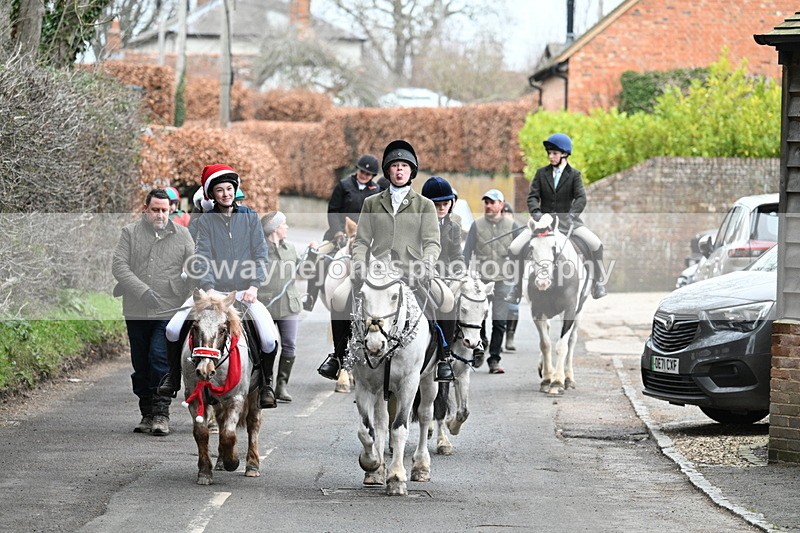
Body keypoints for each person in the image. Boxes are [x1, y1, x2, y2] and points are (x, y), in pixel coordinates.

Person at [318, 139, 453, 382]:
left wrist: (426, 264)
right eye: (395, 166)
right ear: (388, 171)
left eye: (404, 166)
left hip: (413, 271)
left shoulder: (425, 205)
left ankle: (444, 358)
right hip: (376, 272)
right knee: (338, 297)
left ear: (412, 171)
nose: (399, 170)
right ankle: (338, 356)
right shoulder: (371, 203)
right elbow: (361, 241)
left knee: (447, 299)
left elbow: (432, 242)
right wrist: (359, 265)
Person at [160, 164, 279, 409]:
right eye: (220, 190)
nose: (226, 194)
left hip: (244, 293)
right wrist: (209, 288)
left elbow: (260, 253)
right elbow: (202, 256)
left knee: (268, 339)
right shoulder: (205, 221)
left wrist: (254, 286)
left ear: (235, 190)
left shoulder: (249, 216)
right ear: (212, 194)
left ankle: (266, 384)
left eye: (229, 189)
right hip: (212, 293)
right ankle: (173, 376)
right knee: (172, 329)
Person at [112, 188, 194, 436]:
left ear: (171, 210)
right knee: (140, 363)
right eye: (155, 209)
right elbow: (119, 266)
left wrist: (193, 294)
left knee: (159, 358)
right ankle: (146, 412)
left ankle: (161, 413)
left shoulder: (183, 235)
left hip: (168, 308)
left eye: (164, 210)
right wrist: (142, 291)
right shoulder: (130, 233)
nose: (160, 214)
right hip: (136, 309)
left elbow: (194, 266)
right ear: (145, 209)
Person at [511, 133, 607, 299]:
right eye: (549, 153)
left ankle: (597, 284)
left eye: (554, 153)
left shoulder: (574, 175)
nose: (550, 156)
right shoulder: (541, 173)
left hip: (568, 223)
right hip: (543, 223)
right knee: (514, 247)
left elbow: (581, 198)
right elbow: (533, 197)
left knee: (596, 244)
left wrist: (572, 215)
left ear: (564, 154)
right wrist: (537, 214)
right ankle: (516, 287)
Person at [314, 155, 383, 381]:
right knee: (318, 258)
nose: (364, 176)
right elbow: (333, 210)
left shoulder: (376, 191)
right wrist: (338, 232)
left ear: (373, 176)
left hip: (366, 238)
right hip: (340, 235)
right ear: (357, 170)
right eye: (362, 172)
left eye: (368, 174)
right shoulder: (344, 185)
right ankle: (310, 295)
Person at [463, 189, 521, 374]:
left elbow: (520, 255)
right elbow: (467, 252)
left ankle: (494, 359)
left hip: (504, 280)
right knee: (478, 318)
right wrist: (463, 273)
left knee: (499, 321)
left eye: (492, 202)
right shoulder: (476, 225)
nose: (488, 205)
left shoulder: (513, 226)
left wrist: (518, 280)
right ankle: (480, 347)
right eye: (486, 202)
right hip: (481, 281)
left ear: (501, 205)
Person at [421, 176, 465, 379]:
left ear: (451, 203)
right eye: (436, 204)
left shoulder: (454, 227)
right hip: (420, 273)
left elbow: (456, 255)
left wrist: (460, 270)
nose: (441, 208)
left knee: (462, 300)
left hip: (445, 276)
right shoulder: (417, 223)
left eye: (445, 204)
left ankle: (445, 355)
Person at [258, 211, 301, 402]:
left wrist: (313, 257)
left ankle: (282, 385)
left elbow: (303, 271)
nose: (287, 227)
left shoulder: (290, 248)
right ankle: (264, 383)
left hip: (289, 304)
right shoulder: (259, 250)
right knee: (266, 345)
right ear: (275, 228)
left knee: (289, 344)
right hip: (266, 305)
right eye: (284, 224)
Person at [502, 202, 519, 351]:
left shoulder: (517, 232)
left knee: (513, 307)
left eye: (509, 214)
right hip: (497, 273)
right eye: (504, 214)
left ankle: (510, 337)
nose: (506, 216)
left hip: (513, 274)